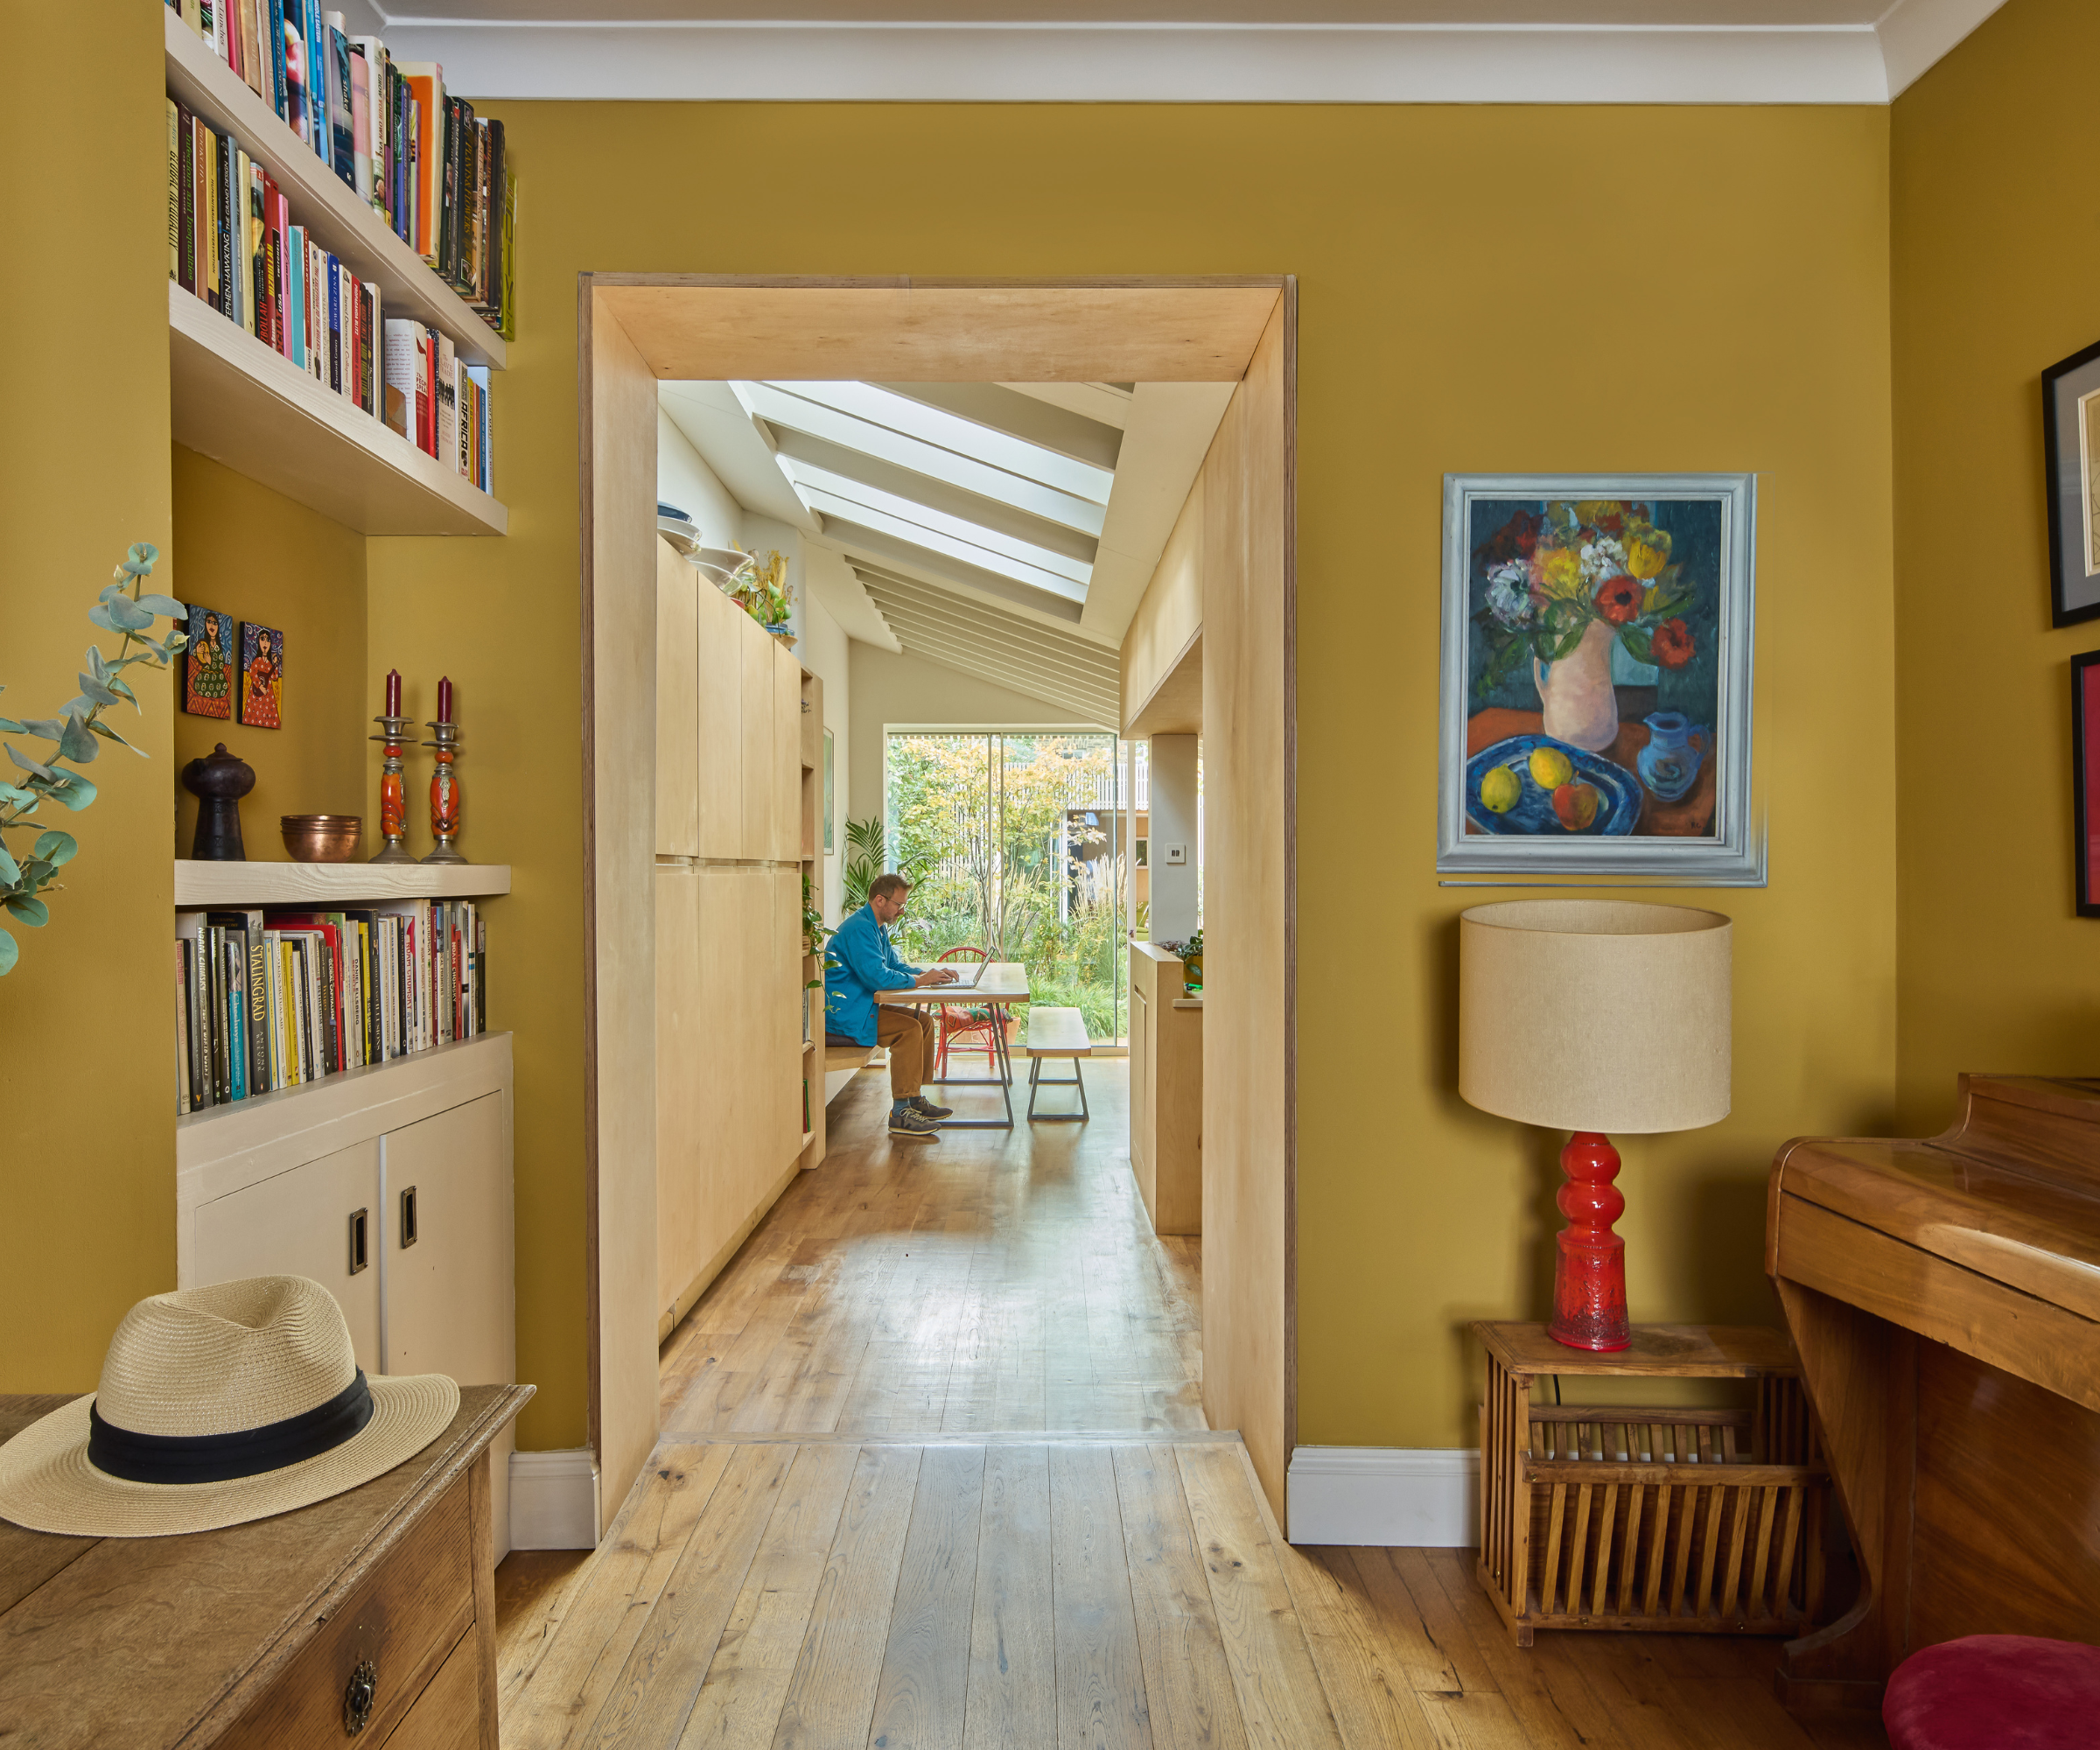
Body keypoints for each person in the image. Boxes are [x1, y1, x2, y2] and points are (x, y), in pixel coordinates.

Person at [824, 873, 958, 1140]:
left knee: (923, 1021)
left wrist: (928, 973)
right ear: (880, 900)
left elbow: (893, 966)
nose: (901, 910)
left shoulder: (875, 925)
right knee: (908, 1030)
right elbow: (877, 977)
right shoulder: (860, 929)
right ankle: (900, 1113)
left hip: (863, 1005)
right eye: (899, 905)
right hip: (847, 1016)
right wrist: (921, 981)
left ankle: (914, 1099)